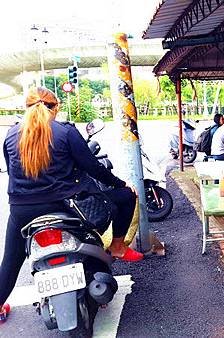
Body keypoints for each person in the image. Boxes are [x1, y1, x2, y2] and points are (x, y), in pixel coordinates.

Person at [1, 87, 143, 321]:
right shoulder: (65, 131)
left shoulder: (11, 134)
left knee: (11, 260)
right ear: (55, 108)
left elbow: (12, 171)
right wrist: (121, 184)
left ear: (26, 108)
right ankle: (117, 246)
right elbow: (92, 167)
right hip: (68, 205)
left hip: (22, 210)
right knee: (126, 197)